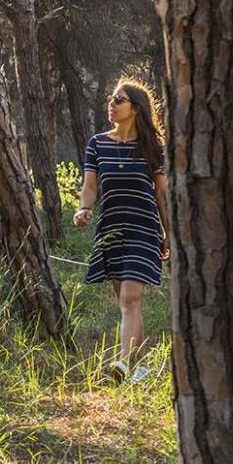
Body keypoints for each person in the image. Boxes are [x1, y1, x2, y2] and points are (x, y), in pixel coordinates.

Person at [73, 78, 172, 383]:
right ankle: (141, 368)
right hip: (111, 228)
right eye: (111, 99)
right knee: (128, 303)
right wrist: (84, 208)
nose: (111, 105)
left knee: (130, 298)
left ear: (136, 108)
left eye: (119, 100)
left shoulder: (153, 147)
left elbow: (161, 195)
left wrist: (169, 234)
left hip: (144, 229)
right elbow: (90, 186)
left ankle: (122, 363)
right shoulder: (97, 143)